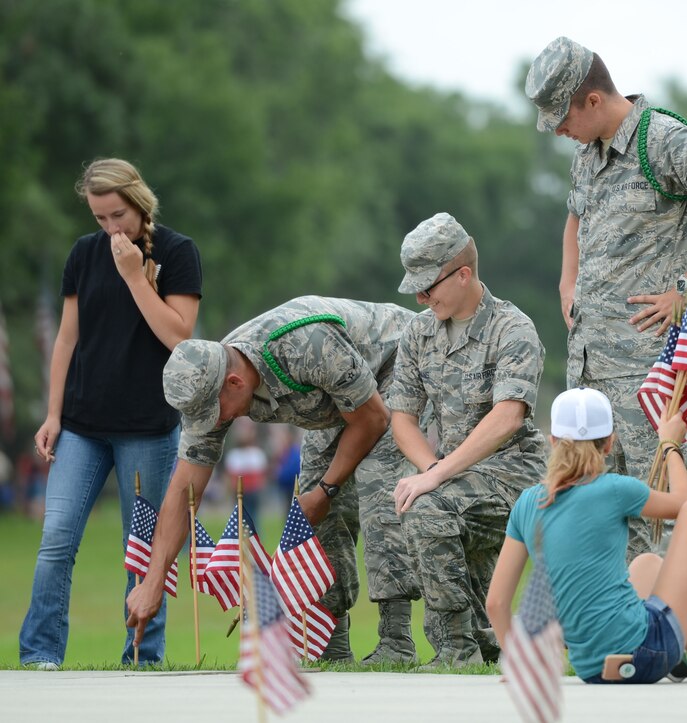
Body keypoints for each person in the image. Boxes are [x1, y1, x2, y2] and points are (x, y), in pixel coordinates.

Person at [525, 37, 687, 557]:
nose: (559, 131)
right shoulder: (586, 155)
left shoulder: (663, 138)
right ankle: (622, 633)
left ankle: (677, 632)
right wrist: (569, 282)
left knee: (667, 512)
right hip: (590, 366)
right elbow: (575, 217)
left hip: (645, 369)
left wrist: (685, 290)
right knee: (600, 512)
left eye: (562, 117)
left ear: (593, 100)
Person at [125, 296, 421, 665]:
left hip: (399, 366)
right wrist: (154, 580)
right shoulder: (208, 384)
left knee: (378, 487)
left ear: (234, 382)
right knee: (309, 508)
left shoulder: (306, 346)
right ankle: (333, 642)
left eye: (216, 414)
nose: (215, 424)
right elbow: (185, 489)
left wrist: (328, 490)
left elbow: (373, 418)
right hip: (336, 401)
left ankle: (396, 641)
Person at [21, 158, 202, 669]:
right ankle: (39, 655)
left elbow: (179, 337)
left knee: (143, 550)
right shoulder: (83, 253)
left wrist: (134, 277)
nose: (109, 228)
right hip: (81, 424)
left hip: (147, 427)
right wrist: (52, 413)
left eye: (117, 215)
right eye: (100, 218)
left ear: (139, 203)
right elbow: (66, 337)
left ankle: (142, 657)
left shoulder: (177, 251)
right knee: (56, 538)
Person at [390, 212, 547, 668]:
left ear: (463, 275)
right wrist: (429, 472)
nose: (421, 297)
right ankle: (483, 642)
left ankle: (456, 650)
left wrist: (436, 477)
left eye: (428, 286)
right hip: (455, 471)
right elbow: (402, 419)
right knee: (414, 499)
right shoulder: (419, 332)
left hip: (514, 471)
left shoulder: (512, 329)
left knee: (428, 510)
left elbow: (508, 418)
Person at [486, 388, 687, 684]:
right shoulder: (616, 488)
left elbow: (495, 603)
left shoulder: (527, 502)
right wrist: (671, 444)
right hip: (647, 652)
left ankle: (680, 645)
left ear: (554, 442)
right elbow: (686, 503)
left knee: (647, 563)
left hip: (592, 669)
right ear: (610, 443)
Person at [223, 418, 269, 528]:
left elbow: (262, 476)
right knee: (241, 517)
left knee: (253, 517)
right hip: (240, 492)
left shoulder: (256, 453)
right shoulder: (235, 455)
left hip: (253, 491)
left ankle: (254, 539)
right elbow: (230, 477)